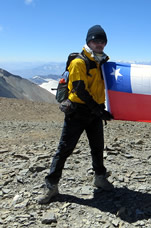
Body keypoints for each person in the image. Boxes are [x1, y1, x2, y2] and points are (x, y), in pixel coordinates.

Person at [38, 25, 114, 204]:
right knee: (64, 150)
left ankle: (100, 178)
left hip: (95, 111)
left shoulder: (103, 62)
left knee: (97, 147)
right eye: (96, 40)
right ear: (88, 41)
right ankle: (51, 186)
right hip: (78, 112)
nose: (100, 44)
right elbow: (79, 90)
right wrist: (98, 110)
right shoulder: (79, 62)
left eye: (103, 41)